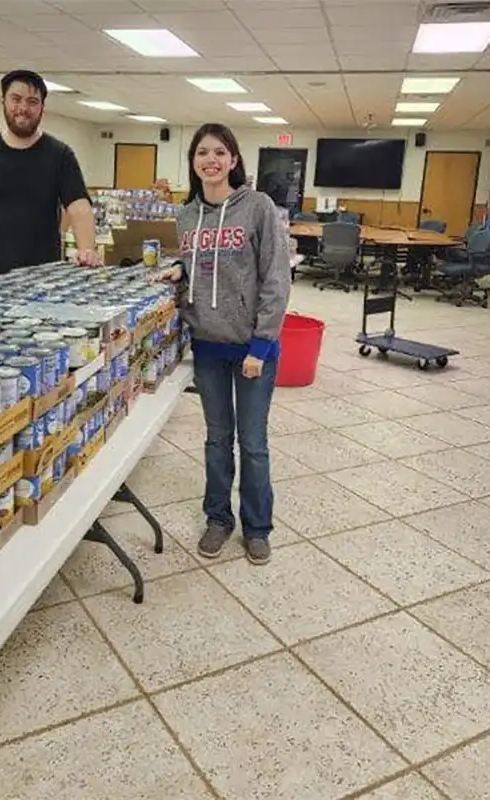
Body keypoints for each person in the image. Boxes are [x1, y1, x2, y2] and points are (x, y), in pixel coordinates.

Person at [157, 123, 290, 565]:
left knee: (252, 441)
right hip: (209, 346)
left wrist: (262, 344)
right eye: (202, 153)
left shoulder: (258, 207)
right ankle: (218, 518)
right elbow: (200, 261)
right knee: (217, 439)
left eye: (219, 152)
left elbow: (275, 277)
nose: (210, 160)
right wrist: (179, 267)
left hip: (253, 346)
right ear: (193, 162)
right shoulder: (186, 214)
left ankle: (257, 527)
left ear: (233, 160)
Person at [0, 69, 100, 283]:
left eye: (32, 101)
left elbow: (79, 207)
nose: (23, 108)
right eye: (16, 99)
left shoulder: (60, 155)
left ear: (42, 108)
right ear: (4, 101)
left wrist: (86, 250)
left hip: (43, 281)